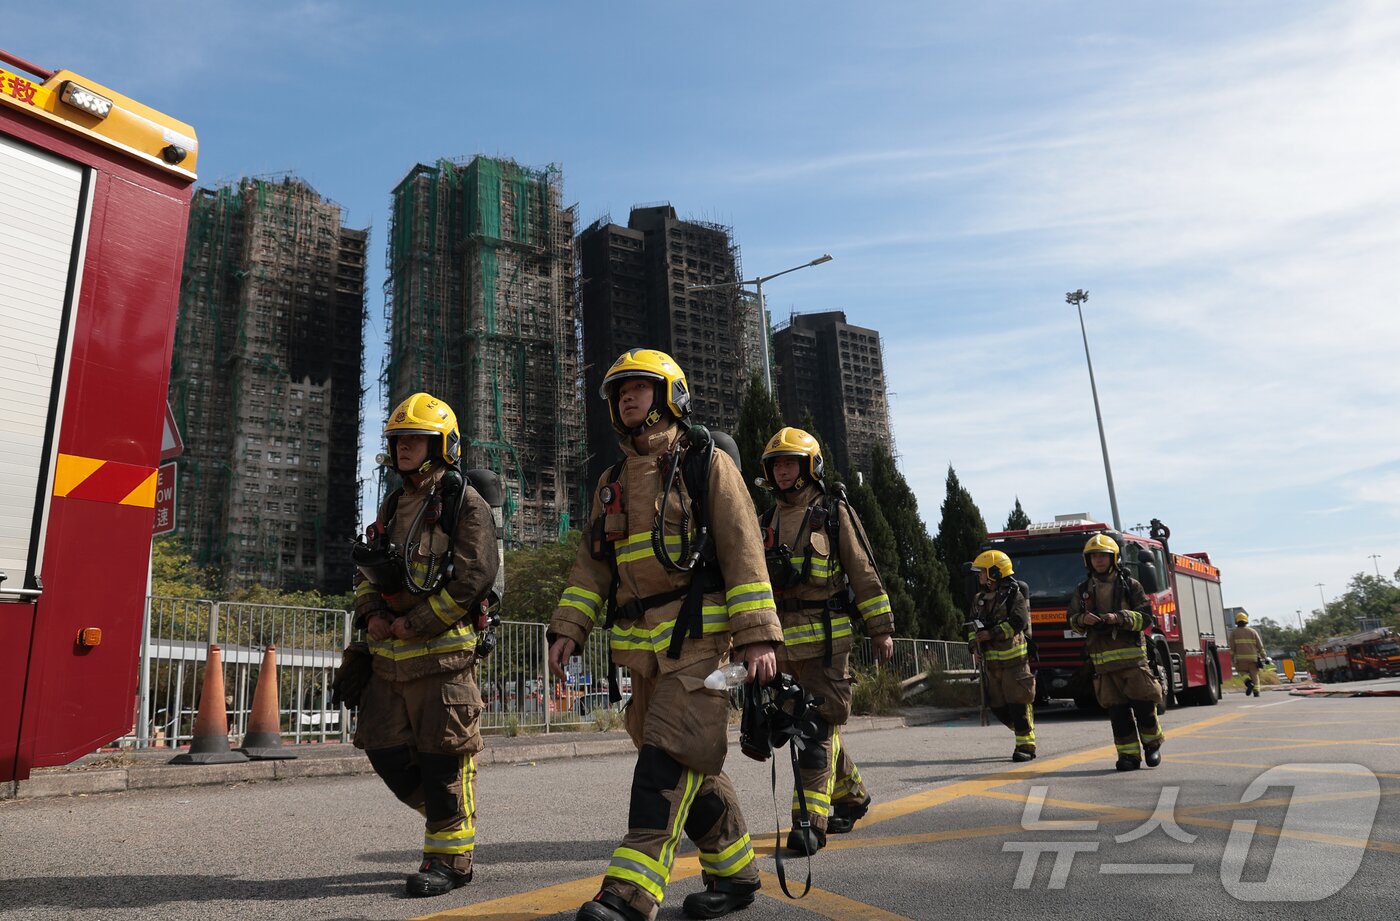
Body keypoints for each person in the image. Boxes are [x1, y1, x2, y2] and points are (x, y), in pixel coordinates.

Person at [547, 348, 782, 921]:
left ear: (670, 394)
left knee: (665, 760)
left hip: (703, 643)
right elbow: (592, 568)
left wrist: (758, 637)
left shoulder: (705, 463)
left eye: (639, 387)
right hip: (643, 652)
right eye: (618, 391)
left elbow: (744, 550)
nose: (626, 397)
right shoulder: (612, 481)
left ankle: (630, 894)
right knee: (691, 767)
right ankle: (736, 872)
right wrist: (568, 630)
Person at [351, 392, 499, 897]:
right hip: (389, 664)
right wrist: (371, 613)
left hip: (443, 660)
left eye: (416, 439)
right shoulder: (393, 505)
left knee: (442, 761)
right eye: (398, 440)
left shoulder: (463, 502)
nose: (405, 448)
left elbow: (474, 577)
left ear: (443, 445)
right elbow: (369, 568)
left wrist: (415, 623)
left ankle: (452, 860)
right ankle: (453, 813)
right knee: (386, 753)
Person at [758, 427, 894, 854]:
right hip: (783, 648)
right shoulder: (766, 521)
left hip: (827, 643)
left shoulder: (833, 512)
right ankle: (851, 795)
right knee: (806, 728)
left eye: (790, 463)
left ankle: (809, 821)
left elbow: (863, 571)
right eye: (776, 464)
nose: (782, 472)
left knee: (814, 727)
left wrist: (881, 627)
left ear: (809, 467)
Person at [1067, 534, 1164, 771]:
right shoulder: (1082, 590)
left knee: (1144, 708)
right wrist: (1083, 619)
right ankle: (1128, 756)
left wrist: (1117, 618)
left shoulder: (1131, 586)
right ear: (1087, 561)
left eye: (1103, 556)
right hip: (1103, 666)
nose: (1099, 561)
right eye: (1094, 557)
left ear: (1114, 558)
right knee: (1118, 715)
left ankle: (1152, 745)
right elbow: (1072, 620)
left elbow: (1145, 618)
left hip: (1133, 663)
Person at [967, 549, 1036, 762]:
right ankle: (1024, 729)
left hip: (1014, 661)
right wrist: (974, 646)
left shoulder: (1015, 595)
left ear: (995, 572)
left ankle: (1025, 745)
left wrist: (992, 633)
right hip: (991, 663)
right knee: (996, 705)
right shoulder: (979, 598)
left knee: (1018, 702)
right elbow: (971, 626)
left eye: (983, 572)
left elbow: (1018, 622)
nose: (979, 576)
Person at [1229, 612, 1265, 697]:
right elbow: (1260, 646)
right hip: (1253, 659)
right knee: (1254, 675)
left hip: (1241, 659)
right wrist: (1264, 657)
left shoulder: (1234, 633)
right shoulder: (1253, 632)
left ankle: (1248, 683)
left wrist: (1231, 658)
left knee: (1242, 672)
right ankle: (1256, 691)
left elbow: (1232, 648)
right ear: (1246, 621)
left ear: (1237, 622)